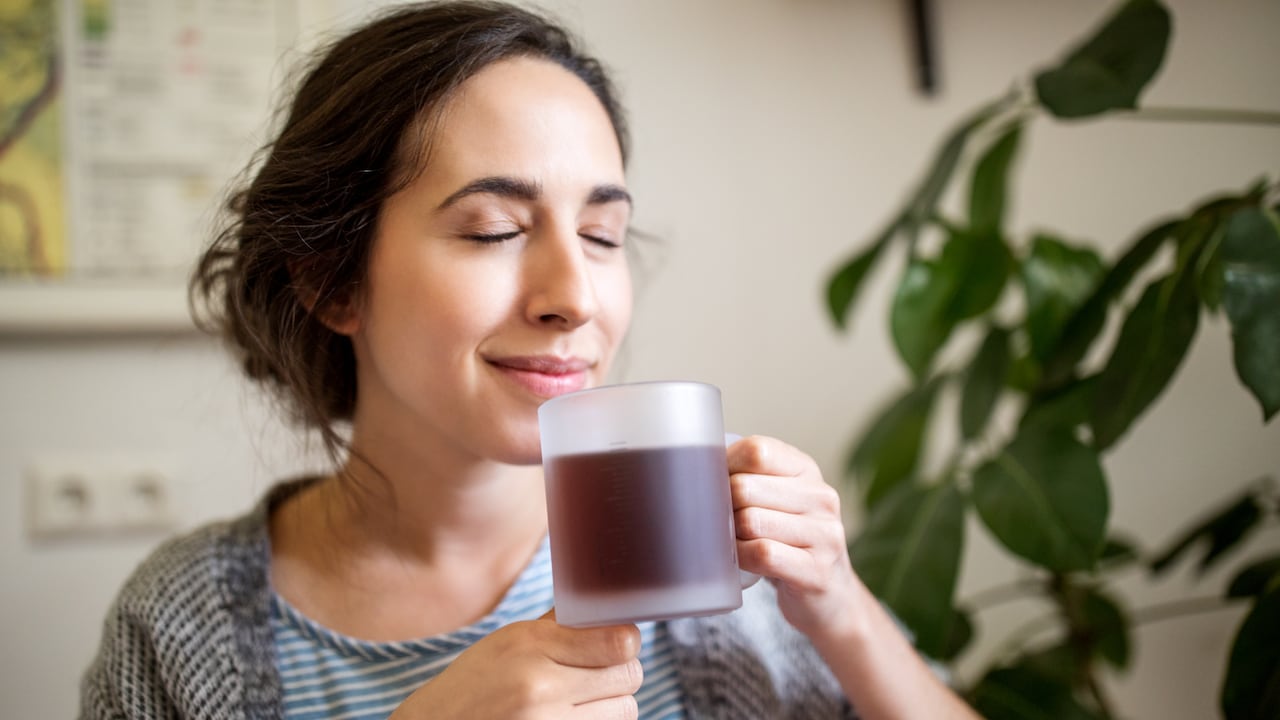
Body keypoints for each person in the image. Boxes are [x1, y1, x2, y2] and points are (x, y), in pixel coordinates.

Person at [80, 2, 980, 718]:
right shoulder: (181, 628)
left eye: (601, 233)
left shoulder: (707, 558)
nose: (575, 297)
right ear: (331, 281)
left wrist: (841, 611)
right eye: (495, 229)